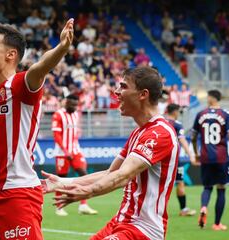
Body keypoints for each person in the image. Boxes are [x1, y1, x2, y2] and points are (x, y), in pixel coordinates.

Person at [0, 19, 74, 240]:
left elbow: (40, 67)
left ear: (10, 55)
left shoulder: (22, 85)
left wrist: (61, 48)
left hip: (17, 194)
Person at [43, 66, 179, 240]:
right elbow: (111, 173)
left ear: (143, 94)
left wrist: (88, 191)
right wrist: (61, 183)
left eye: (123, 87)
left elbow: (122, 176)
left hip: (143, 230)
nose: (116, 92)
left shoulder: (159, 133)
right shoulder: (139, 133)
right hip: (121, 222)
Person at [191, 90, 229, 231]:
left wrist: (196, 153)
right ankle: (217, 223)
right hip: (221, 157)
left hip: (205, 157)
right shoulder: (226, 114)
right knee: (221, 189)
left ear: (212, 98)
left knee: (207, 187)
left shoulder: (200, 114)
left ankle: (204, 207)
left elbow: (193, 137)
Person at [51, 94, 97, 216]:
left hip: (75, 150)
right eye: (72, 104)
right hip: (62, 152)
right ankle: (59, 207)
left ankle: (83, 205)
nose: (74, 106)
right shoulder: (58, 115)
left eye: (76, 104)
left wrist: (73, 148)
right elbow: (56, 135)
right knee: (61, 178)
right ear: (66, 102)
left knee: (84, 175)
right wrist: (66, 151)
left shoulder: (76, 114)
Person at [165, 103, 197, 216]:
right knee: (180, 183)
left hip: (158, 160)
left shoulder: (160, 122)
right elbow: (182, 140)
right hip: (173, 160)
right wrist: (191, 155)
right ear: (174, 112)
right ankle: (183, 209)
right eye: (178, 111)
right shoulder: (177, 125)